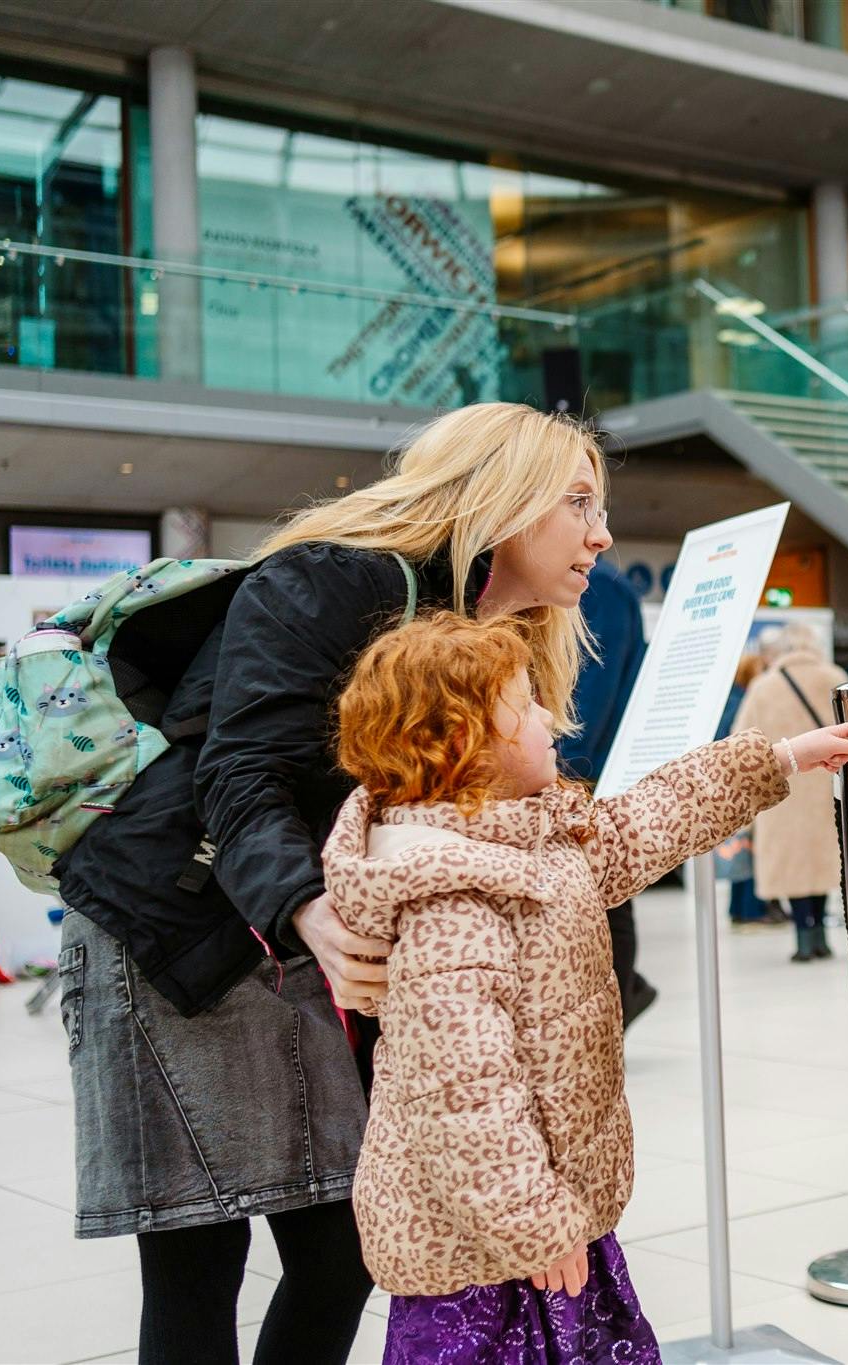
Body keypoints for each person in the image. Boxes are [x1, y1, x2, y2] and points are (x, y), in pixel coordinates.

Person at [50, 402, 615, 1364]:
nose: (600, 534)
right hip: (176, 930)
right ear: (504, 496)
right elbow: (241, 772)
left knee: (343, 1247)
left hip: (288, 934)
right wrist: (308, 909)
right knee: (201, 1256)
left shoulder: (481, 634)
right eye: (578, 502)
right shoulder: (335, 579)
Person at [323, 612, 848, 1362]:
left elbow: (647, 822)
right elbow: (465, 1097)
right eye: (526, 704)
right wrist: (535, 1224)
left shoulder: (532, 839)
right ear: (462, 743)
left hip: (548, 1218)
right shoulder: (448, 901)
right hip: (487, 1252)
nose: (550, 718)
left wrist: (774, 761)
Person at [558, 558, 655, 1027]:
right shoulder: (596, 587)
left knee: (605, 900)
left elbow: (590, 698)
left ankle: (619, 1006)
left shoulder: (598, 589)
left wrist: (562, 772)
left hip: (587, 778)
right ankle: (627, 995)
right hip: (579, 774)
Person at [729, 622, 848, 962]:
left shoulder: (764, 687)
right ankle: (821, 936)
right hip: (828, 784)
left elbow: (740, 738)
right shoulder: (835, 678)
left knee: (793, 865)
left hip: (782, 785)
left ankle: (803, 937)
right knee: (823, 862)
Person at [716, 651, 774, 929]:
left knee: (739, 845)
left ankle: (738, 909)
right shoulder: (742, 701)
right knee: (750, 847)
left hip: (730, 781)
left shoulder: (728, 699)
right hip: (744, 778)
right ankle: (751, 910)